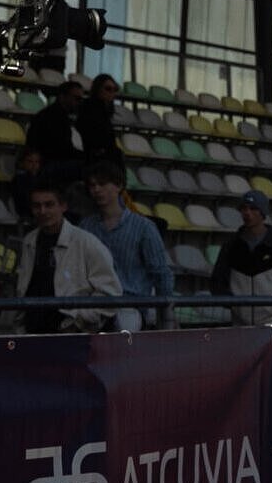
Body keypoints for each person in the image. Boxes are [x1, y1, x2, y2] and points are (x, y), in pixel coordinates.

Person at [15, 185, 121, 333]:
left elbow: (110, 294)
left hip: (70, 332)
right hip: (34, 329)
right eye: (37, 206)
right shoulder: (29, 241)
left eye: (49, 205)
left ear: (63, 206)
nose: (42, 211)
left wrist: (77, 323)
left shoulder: (87, 242)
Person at [83, 162, 172, 331]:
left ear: (119, 185)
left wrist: (166, 317)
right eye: (92, 185)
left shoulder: (144, 227)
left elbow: (161, 273)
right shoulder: (86, 226)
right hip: (94, 306)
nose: (96, 189)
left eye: (102, 184)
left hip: (130, 307)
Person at [210, 189, 272, 325]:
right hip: (239, 323)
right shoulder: (232, 245)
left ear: (263, 212)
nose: (247, 213)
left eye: (253, 209)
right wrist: (233, 304)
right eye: (244, 209)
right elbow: (217, 281)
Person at [77, 74, 123, 167]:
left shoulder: (106, 110)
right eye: (108, 88)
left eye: (115, 89)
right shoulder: (88, 108)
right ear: (98, 89)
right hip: (94, 155)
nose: (112, 92)